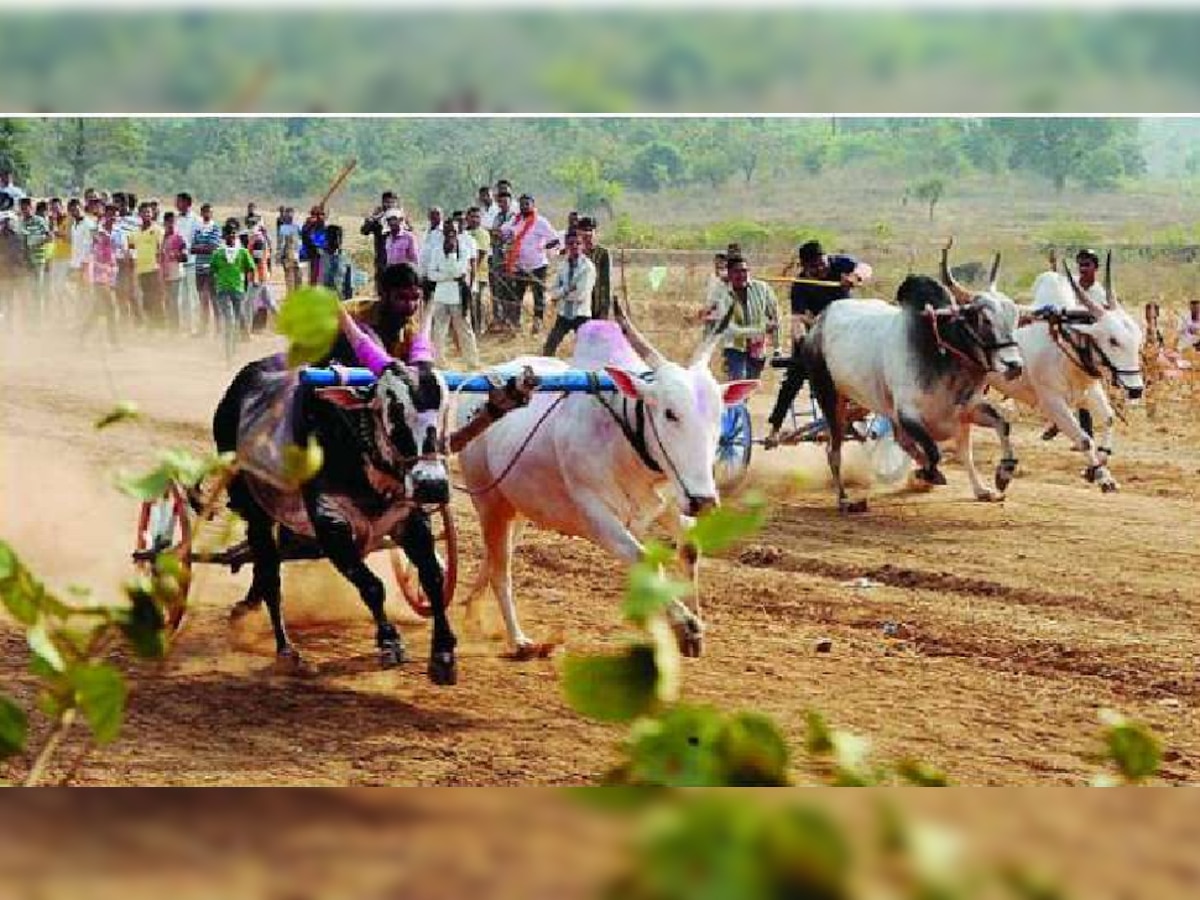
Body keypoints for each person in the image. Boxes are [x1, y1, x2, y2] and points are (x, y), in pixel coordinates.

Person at [764, 241, 870, 448]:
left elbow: (865, 268)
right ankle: (774, 429)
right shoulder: (800, 286)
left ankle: (854, 411)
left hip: (845, 334)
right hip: (814, 335)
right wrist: (802, 341)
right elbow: (797, 320)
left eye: (822, 264)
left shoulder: (840, 263)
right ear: (804, 267)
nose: (821, 270)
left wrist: (855, 277)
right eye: (814, 268)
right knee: (793, 379)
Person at [500, 193, 560, 334]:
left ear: (533, 205)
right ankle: (515, 325)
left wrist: (543, 248)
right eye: (522, 204)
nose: (524, 206)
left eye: (527, 204)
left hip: (538, 266)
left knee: (538, 297)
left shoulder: (541, 222)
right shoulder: (515, 220)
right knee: (516, 296)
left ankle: (537, 325)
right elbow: (504, 231)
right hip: (519, 266)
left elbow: (555, 239)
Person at [716, 255, 780, 381]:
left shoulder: (762, 289)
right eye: (736, 271)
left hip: (758, 348)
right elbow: (730, 330)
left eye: (744, 271)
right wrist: (761, 330)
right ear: (729, 274)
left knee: (749, 386)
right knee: (738, 384)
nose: (741, 275)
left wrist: (777, 347)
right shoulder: (721, 295)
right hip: (734, 348)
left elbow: (775, 317)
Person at [426, 224, 479, 368]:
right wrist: (447, 276)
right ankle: (439, 362)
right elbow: (431, 274)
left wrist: (451, 255)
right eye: (448, 232)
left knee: (464, 329)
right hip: (441, 294)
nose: (450, 235)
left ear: (457, 233)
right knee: (438, 330)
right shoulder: (436, 250)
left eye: (453, 232)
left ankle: (472, 362)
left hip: (458, 295)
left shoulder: (464, 250)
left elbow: (460, 272)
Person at [542, 230, 597, 357]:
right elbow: (554, 291)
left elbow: (581, 295)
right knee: (550, 346)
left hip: (581, 314)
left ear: (582, 245)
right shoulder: (563, 266)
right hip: (564, 314)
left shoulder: (587, 267)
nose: (574, 246)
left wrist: (561, 294)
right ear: (566, 246)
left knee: (587, 351)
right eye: (571, 243)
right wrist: (567, 289)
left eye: (577, 243)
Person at [209, 223, 257, 362]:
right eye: (229, 234)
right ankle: (228, 353)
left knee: (235, 320)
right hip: (223, 290)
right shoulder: (218, 253)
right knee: (229, 319)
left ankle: (233, 350)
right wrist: (213, 288)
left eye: (233, 233)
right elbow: (212, 271)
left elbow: (251, 268)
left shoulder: (242, 252)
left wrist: (248, 285)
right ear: (224, 236)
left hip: (238, 289)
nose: (231, 236)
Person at [79, 203, 123, 347]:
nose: (113, 218)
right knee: (111, 308)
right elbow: (91, 248)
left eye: (115, 216)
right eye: (110, 215)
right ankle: (114, 342)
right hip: (99, 273)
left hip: (112, 272)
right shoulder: (98, 231)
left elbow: (121, 250)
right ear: (106, 215)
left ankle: (82, 336)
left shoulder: (118, 232)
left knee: (97, 310)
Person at [129, 202, 165, 327]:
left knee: (156, 299)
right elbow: (131, 248)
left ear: (152, 214)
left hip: (154, 269)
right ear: (139, 214)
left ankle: (160, 326)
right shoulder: (135, 232)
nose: (147, 214)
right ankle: (151, 325)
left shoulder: (158, 230)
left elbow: (161, 251)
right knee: (146, 300)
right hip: (140, 270)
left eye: (149, 212)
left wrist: (161, 269)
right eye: (144, 212)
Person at [19, 197, 51, 328]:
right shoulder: (21, 223)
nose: (24, 211)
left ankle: (39, 322)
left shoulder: (40, 221)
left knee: (37, 293)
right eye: (22, 209)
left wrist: (35, 242)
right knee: (28, 293)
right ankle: (29, 322)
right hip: (26, 262)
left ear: (31, 208)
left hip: (38, 260)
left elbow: (49, 237)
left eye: (26, 208)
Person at [191, 203, 222, 337]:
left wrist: (201, 247)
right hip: (199, 268)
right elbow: (192, 248)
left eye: (209, 212)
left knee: (214, 300)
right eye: (204, 212)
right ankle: (203, 329)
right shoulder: (198, 229)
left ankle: (218, 329)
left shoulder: (215, 228)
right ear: (201, 213)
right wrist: (204, 247)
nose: (207, 214)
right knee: (202, 300)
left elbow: (213, 247)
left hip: (212, 268)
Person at [359, 190, 399, 293]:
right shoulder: (378, 219)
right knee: (381, 293)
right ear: (382, 203)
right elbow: (364, 231)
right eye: (386, 202)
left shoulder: (401, 219)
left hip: (398, 263)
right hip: (382, 263)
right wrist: (373, 218)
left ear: (396, 203)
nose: (389, 205)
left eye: (392, 202)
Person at [576, 216, 612, 319]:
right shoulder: (575, 253)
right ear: (578, 232)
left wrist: (604, 308)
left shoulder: (602, 254)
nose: (588, 233)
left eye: (590, 230)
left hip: (596, 306)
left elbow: (606, 283)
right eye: (584, 230)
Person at [159, 211, 188, 331]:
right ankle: (170, 327)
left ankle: (176, 328)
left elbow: (185, 256)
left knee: (174, 302)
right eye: (168, 222)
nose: (171, 224)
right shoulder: (161, 237)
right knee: (167, 301)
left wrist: (175, 255)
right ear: (164, 223)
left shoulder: (179, 237)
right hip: (164, 273)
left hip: (176, 273)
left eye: (173, 222)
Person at [464, 206, 491, 327]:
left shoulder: (483, 233)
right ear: (467, 218)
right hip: (465, 273)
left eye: (477, 217)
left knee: (477, 301)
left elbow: (480, 254)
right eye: (472, 217)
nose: (475, 219)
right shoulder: (464, 233)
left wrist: (471, 271)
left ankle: (479, 327)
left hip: (479, 273)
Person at [0, 213, 25, 331]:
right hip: (4, 273)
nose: (6, 224)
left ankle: (9, 324)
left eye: (8, 222)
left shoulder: (17, 237)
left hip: (12, 273)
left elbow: (18, 253)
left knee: (10, 299)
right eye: (4, 222)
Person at [416, 206, 444, 303]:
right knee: (426, 302)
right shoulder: (424, 231)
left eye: (437, 214)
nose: (435, 216)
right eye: (432, 214)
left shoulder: (444, 232)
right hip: (425, 272)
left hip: (438, 272)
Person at [321, 224, 352, 301]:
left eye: (339, 237)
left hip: (340, 302)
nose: (337, 241)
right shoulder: (321, 259)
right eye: (334, 237)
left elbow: (348, 285)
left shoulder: (345, 259)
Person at [277, 207, 302, 295]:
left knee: (297, 278)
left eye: (291, 214)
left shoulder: (296, 226)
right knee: (291, 278)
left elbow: (300, 241)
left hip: (295, 255)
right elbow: (281, 244)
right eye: (288, 214)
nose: (290, 216)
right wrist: (279, 256)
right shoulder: (285, 228)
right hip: (289, 255)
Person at [301, 206, 327, 286]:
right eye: (320, 214)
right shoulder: (310, 224)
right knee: (315, 273)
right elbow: (305, 235)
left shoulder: (319, 224)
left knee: (317, 273)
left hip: (318, 250)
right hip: (313, 251)